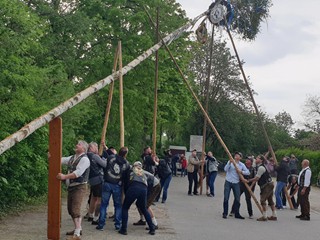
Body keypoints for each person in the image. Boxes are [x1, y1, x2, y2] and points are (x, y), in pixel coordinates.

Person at [57, 140, 90, 240]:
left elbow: (78, 173)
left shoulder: (85, 159)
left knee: (75, 209)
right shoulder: (72, 158)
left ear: (84, 148)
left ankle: (77, 234)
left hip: (79, 187)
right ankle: (78, 229)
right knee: (70, 209)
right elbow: (60, 160)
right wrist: (51, 156)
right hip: (72, 187)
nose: (76, 145)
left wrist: (64, 177)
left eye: (79, 144)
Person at [96, 147, 130, 231]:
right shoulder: (126, 164)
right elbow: (126, 176)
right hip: (117, 185)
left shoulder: (111, 158)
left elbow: (105, 164)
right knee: (118, 205)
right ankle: (118, 224)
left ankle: (101, 224)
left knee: (104, 205)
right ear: (125, 154)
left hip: (107, 182)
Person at [119, 161, 156, 235]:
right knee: (144, 209)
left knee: (125, 208)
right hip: (144, 189)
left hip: (134, 187)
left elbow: (126, 183)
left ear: (133, 166)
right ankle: (152, 229)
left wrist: (126, 194)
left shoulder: (130, 171)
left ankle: (124, 229)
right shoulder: (143, 172)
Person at [248, 155, 277, 221]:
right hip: (269, 184)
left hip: (266, 185)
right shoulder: (260, 166)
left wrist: (248, 180)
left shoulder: (261, 167)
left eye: (257, 158)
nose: (256, 159)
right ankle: (274, 215)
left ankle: (264, 216)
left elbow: (257, 178)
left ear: (261, 160)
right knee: (270, 200)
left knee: (262, 200)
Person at [222, 152, 249, 219]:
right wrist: (229, 163)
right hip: (228, 181)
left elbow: (248, 172)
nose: (236, 156)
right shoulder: (230, 162)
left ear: (240, 158)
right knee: (226, 197)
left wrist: (241, 172)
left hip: (236, 182)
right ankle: (225, 213)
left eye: (238, 155)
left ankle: (237, 213)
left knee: (237, 198)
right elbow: (225, 169)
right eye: (236, 155)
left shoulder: (241, 165)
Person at [86, 142, 106, 224]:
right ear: (91, 148)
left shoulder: (86, 156)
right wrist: (105, 159)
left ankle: (90, 215)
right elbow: (104, 165)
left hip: (91, 180)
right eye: (96, 147)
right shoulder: (95, 156)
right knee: (99, 199)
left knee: (93, 198)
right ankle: (96, 218)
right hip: (98, 179)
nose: (97, 148)